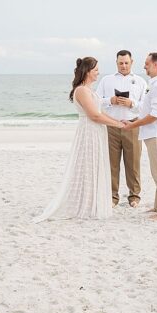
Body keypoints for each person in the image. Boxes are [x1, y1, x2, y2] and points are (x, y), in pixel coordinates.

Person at [34, 57, 125, 222]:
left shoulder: (89, 90)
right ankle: (85, 204)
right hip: (89, 132)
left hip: (97, 131)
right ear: (88, 71)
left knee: (95, 165)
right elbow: (94, 115)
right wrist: (117, 125)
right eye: (96, 69)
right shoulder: (82, 90)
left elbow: (100, 112)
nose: (98, 72)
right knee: (88, 166)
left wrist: (118, 122)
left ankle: (93, 202)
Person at [125, 53, 157, 221]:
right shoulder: (154, 84)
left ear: (156, 65)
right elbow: (147, 111)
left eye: (147, 63)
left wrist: (133, 125)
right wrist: (134, 120)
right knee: (156, 172)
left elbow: (155, 115)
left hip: (156, 133)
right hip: (151, 133)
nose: (144, 66)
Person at [97, 50, 147, 208]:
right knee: (112, 163)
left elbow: (145, 107)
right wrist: (110, 100)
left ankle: (134, 196)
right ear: (116, 63)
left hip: (132, 125)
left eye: (126, 62)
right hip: (111, 125)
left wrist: (131, 103)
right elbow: (96, 100)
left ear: (132, 62)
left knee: (133, 163)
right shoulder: (107, 80)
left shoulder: (140, 81)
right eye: (120, 63)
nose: (124, 65)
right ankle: (113, 197)